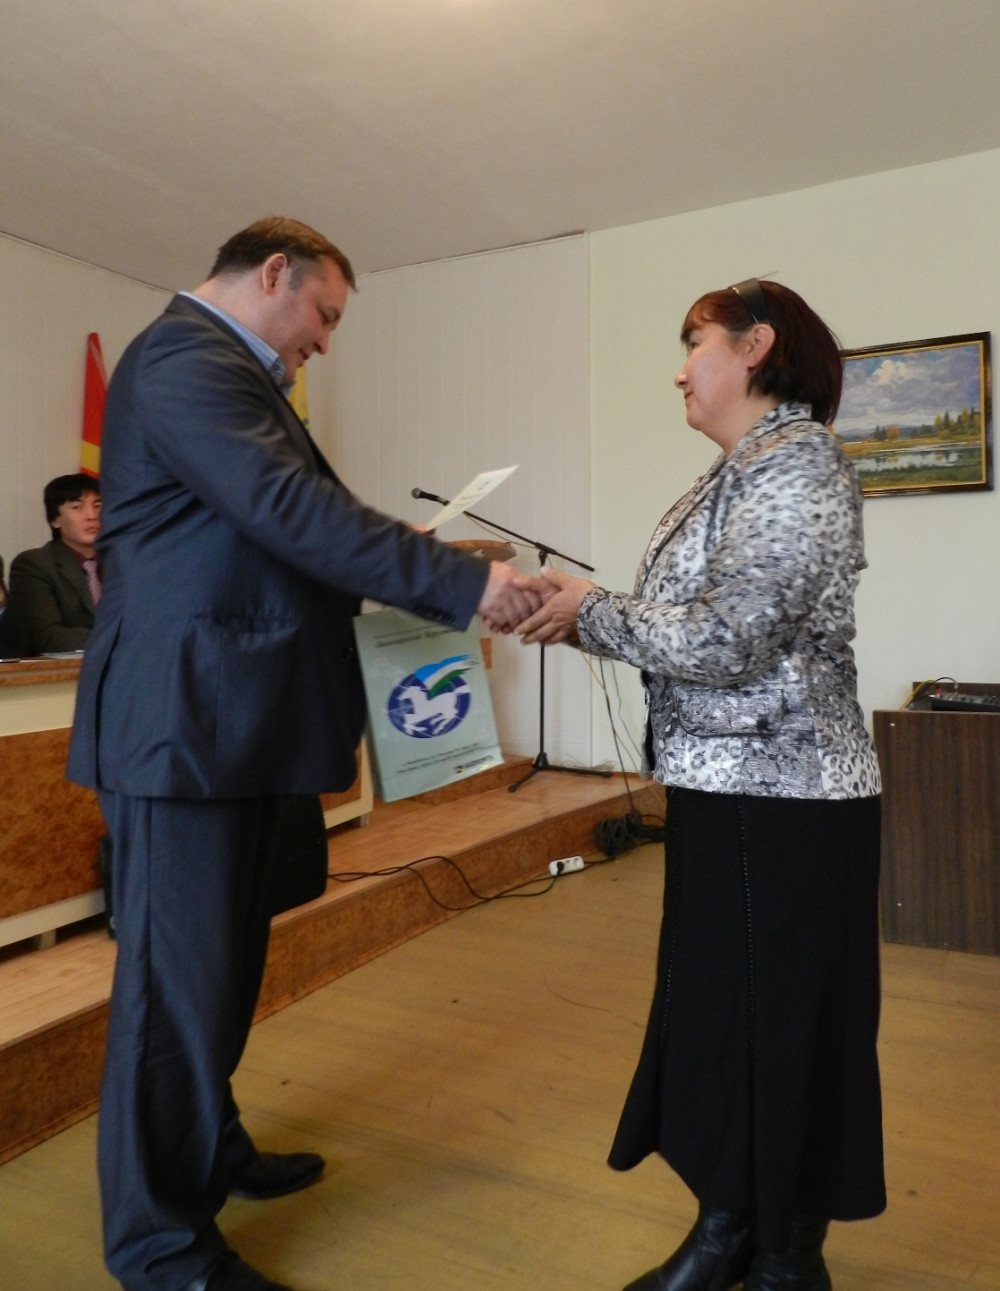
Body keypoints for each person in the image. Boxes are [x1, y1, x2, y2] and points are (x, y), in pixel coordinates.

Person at [67, 216, 536, 1291]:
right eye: (323, 314)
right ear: (274, 272)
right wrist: (463, 583)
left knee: (220, 974)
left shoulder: (227, 371)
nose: (322, 341)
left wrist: (411, 562)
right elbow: (285, 508)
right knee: (173, 993)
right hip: (182, 728)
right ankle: (161, 1247)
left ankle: (210, 1146)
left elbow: (275, 528)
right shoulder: (184, 357)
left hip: (231, 724)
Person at [516, 279, 885, 1291]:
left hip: (791, 797)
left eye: (694, 344)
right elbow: (698, 623)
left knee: (785, 1029)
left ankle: (784, 1258)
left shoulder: (798, 464)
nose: (680, 370)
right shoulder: (741, 469)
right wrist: (582, 609)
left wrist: (594, 611)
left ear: (755, 346)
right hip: (729, 788)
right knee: (725, 1019)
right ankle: (727, 1228)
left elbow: (731, 639)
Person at [2, 473, 102, 656]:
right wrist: (120, 639)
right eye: (77, 507)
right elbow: (47, 637)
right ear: (55, 519)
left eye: (97, 506)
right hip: (53, 671)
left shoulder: (125, 564)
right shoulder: (34, 564)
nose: (92, 516)